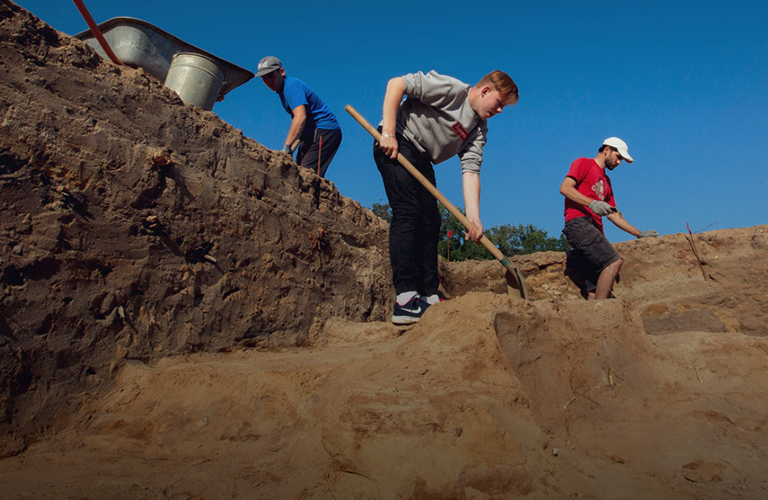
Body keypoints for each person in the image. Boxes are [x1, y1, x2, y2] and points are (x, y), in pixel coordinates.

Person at [374, 70, 519, 324]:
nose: (500, 112)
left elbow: (471, 171)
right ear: (485, 91)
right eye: (499, 104)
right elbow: (396, 84)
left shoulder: (478, 130)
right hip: (398, 140)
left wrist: (473, 218)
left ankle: (429, 295)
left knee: (431, 222)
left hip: (423, 158)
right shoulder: (452, 90)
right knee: (407, 212)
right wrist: (388, 133)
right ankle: (405, 299)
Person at [559, 137, 658, 300]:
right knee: (613, 261)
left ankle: (596, 319)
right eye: (618, 157)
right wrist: (592, 204)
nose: (619, 163)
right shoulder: (583, 163)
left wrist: (639, 234)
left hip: (594, 230)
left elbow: (612, 214)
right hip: (579, 224)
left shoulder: (606, 181)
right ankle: (603, 311)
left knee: (593, 289)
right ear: (607, 150)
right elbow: (565, 188)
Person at [255, 56, 341, 177]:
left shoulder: (291, 87)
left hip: (325, 131)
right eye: (264, 78)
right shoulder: (282, 90)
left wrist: (286, 147)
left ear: (282, 71)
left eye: (271, 76)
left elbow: (300, 117)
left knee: (307, 174)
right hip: (310, 133)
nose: (268, 81)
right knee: (298, 171)